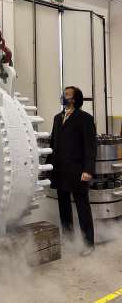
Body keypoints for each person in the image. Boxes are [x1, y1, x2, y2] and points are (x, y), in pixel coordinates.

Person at [47, 86, 97, 257]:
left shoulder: (85, 119)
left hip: (78, 171)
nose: (64, 96)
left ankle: (88, 243)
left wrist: (88, 169)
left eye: (67, 95)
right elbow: (53, 144)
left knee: (82, 207)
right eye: (64, 94)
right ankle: (68, 239)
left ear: (75, 99)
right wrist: (48, 168)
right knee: (63, 207)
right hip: (60, 170)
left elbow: (90, 147)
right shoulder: (57, 118)